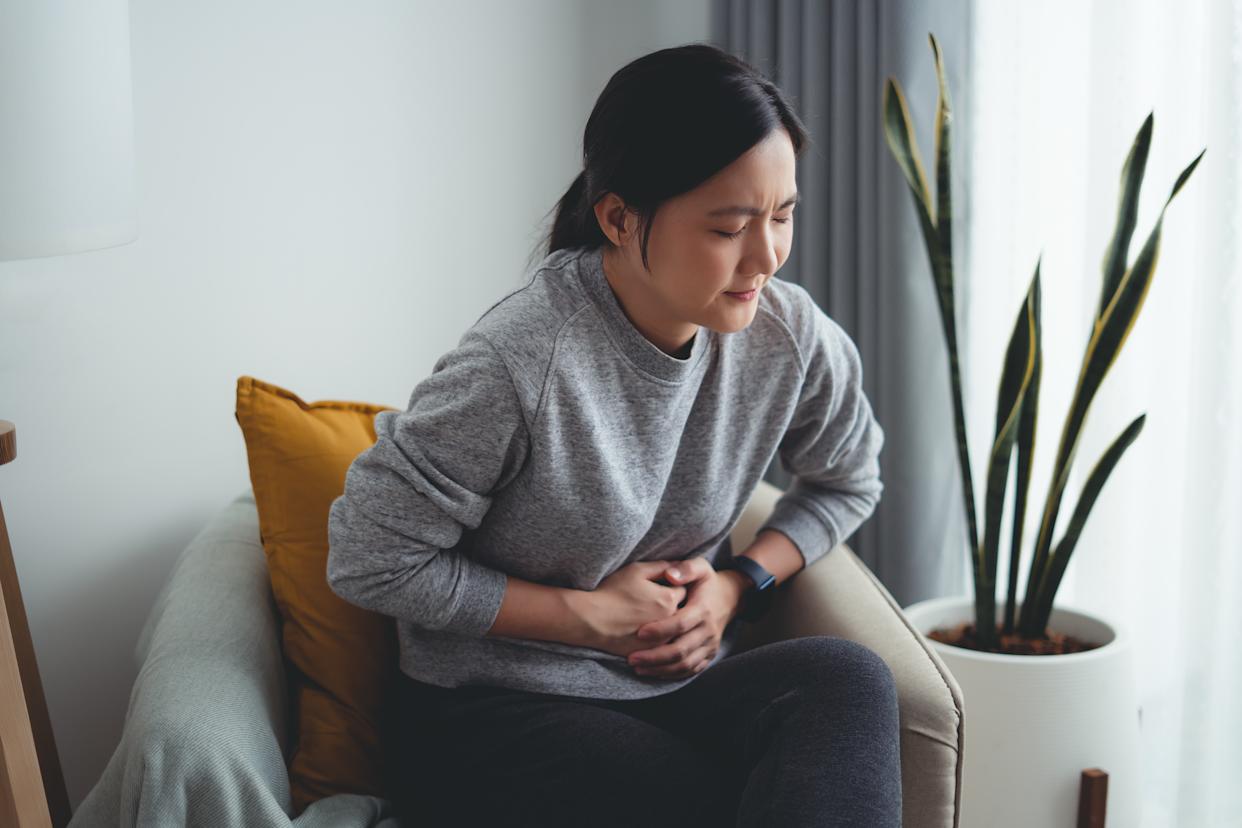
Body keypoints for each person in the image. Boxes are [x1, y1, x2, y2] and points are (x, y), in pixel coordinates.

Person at [326, 42, 901, 828]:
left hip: (672, 689)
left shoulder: (787, 336)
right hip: (495, 713)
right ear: (621, 218)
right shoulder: (520, 362)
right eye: (729, 227)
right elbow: (368, 558)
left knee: (849, 680)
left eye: (783, 214)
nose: (766, 257)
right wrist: (585, 617)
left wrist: (737, 589)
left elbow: (850, 475)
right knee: (709, 801)